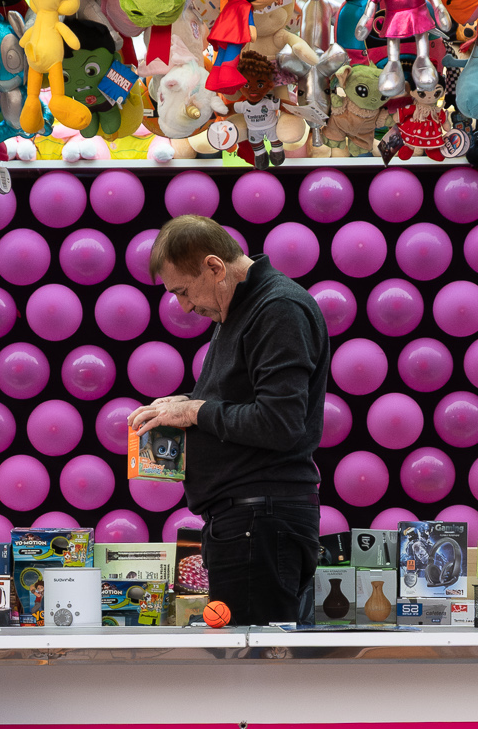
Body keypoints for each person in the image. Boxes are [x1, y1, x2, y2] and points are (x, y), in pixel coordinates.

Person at [125, 215, 327, 624]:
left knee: (251, 672)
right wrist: (185, 404)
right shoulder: (238, 308)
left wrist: (194, 410)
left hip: (260, 522)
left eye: (182, 291)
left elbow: (280, 422)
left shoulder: (277, 308)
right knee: (245, 671)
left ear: (215, 267)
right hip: (248, 522)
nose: (182, 306)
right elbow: (245, 402)